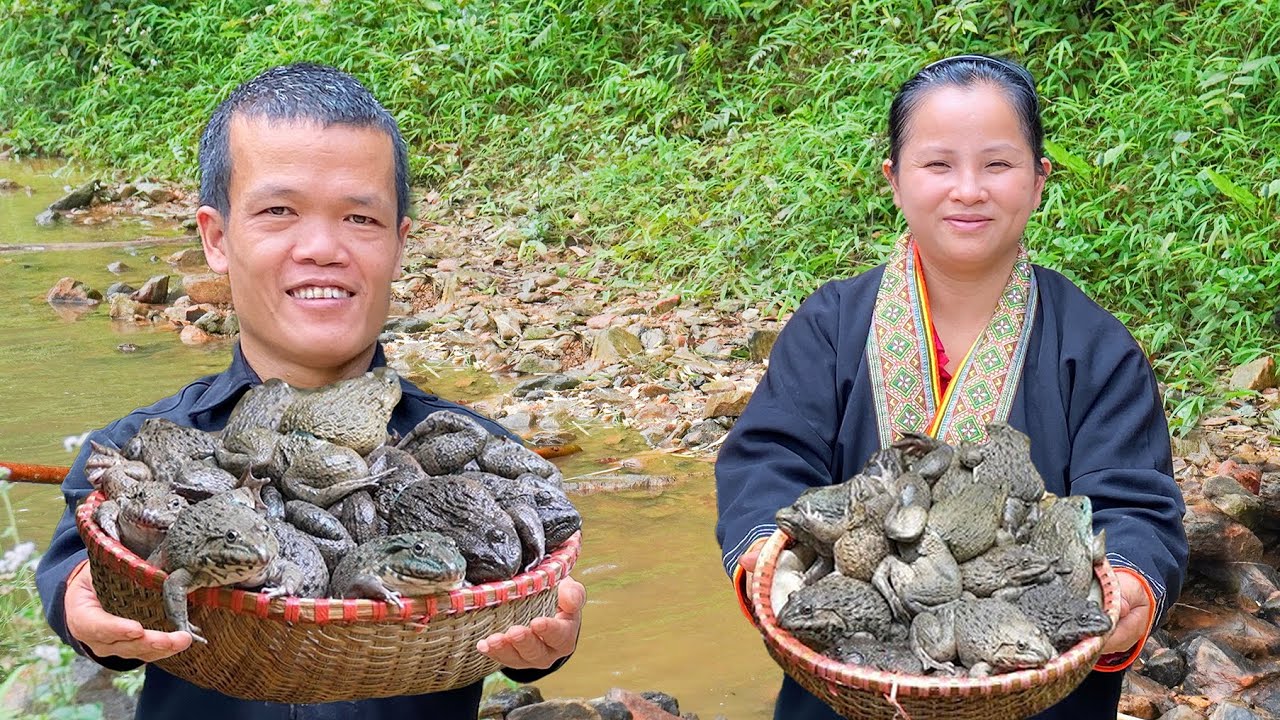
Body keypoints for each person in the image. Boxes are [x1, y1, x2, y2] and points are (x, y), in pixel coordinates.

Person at [35, 62, 585, 719]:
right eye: (279, 211)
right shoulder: (140, 447)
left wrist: (546, 642)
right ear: (216, 239)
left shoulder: (468, 453)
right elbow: (80, 567)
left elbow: (534, 576)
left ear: (399, 244)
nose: (321, 247)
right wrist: (87, 601)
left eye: (359, 218)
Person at [715, 54, 1188, 719]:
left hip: (1037, 686)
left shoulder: (1096, 347)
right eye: (938, 165)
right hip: (849, 686)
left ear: (1039, 181)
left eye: (997, 164)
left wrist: (1131, 588)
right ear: (895, 180)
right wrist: (771, 555)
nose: (968, 189)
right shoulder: (831, 325)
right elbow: (767, 459)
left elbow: (1135, 506)